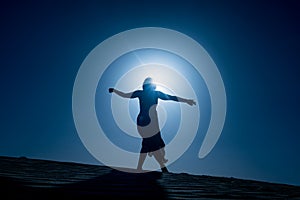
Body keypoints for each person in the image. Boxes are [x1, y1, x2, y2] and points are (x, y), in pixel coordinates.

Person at [109, 77, 196, 172]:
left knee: (153, 143)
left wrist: (186, 100)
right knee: (149, 143)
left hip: (152, 122)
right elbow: (125, 95)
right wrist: (115, 91)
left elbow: (171, 97)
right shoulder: (142, 93)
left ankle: (157, 164)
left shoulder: (154, 94)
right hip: (145, 121)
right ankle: (158, 166)